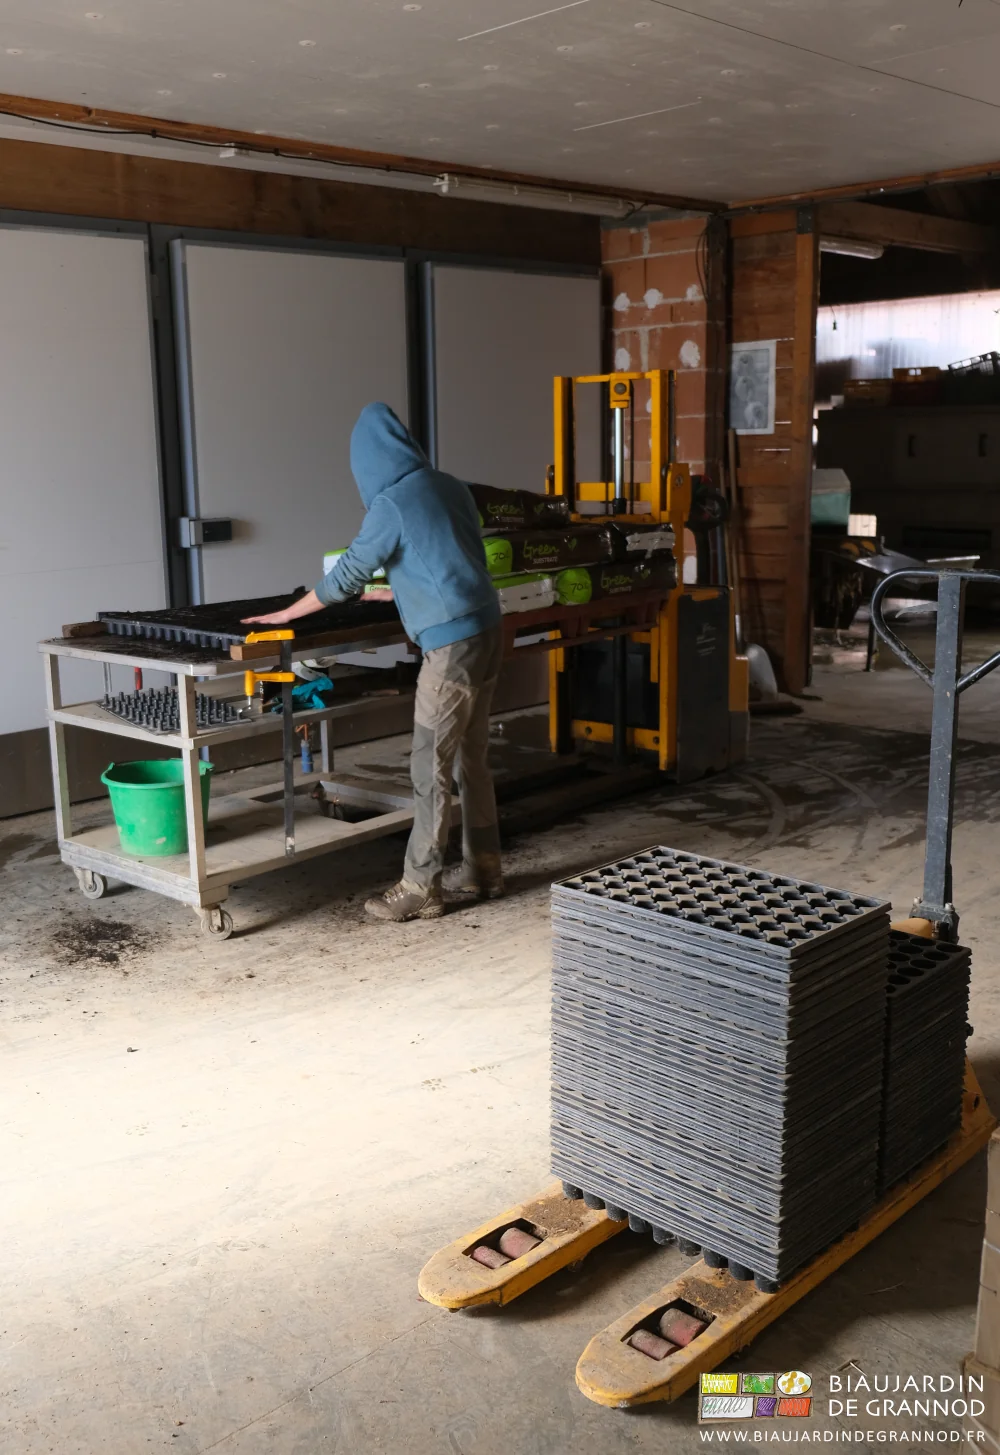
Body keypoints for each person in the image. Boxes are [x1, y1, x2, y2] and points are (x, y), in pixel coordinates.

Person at [243, 402, 504, 922]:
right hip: (488, 629)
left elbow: (346, 577)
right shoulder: (450, 485)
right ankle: (484, 868)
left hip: (450, 645)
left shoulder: (392, 504)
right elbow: (451, 556)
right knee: (470, 761)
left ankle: (420, 886)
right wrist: (400, 593)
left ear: (366, 463)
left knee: (429, 769)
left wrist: (287, 614)